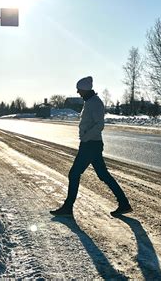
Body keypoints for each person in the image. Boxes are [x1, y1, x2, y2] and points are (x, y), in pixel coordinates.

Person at [50, 76, 132, 217]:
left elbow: (99, 125)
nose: (78, 92)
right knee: (103, 175)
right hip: (92, 144)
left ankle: (68, 208)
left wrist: (86, 137)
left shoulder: (94, 103)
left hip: (90, 145)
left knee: (74, 174)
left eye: (79, 89)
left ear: (86, 89)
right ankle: (124, 203)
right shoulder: (90, 101)